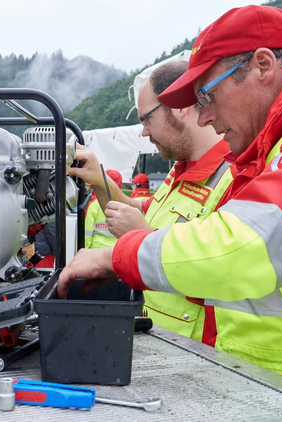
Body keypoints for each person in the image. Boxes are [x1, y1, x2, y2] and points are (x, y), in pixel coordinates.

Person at [59, 6, 282, 421]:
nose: (206, 116)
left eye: (207, 96)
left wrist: (114, 256)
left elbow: (241, 249)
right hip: (274, 386)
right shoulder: (273, 151)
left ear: (263, 65)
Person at [68, 61, 234, 341]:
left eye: (147, 119)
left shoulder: (233, 176)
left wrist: (141, 238)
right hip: (163, 341)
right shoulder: (179, 171)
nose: (144, 131)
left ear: (181, 106)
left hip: (199, 354)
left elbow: (219, 268)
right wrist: (99, 178)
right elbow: (138, 212)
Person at [84, 169, 122, 249]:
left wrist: (84, 251)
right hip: (116, 251)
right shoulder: (124, 205)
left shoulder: (94, 205)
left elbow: (87, 233)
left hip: (95, 252)